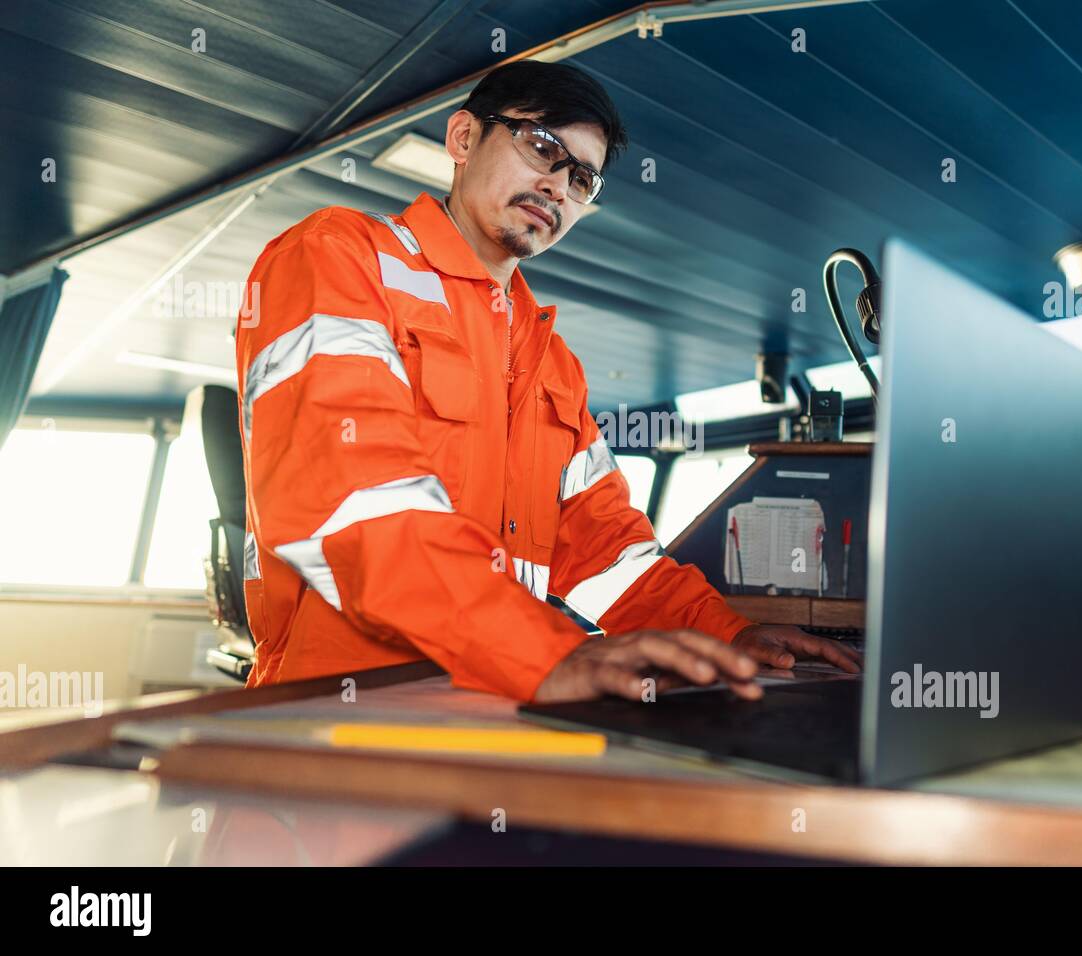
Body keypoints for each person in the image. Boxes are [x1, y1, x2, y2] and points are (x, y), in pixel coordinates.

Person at [235, 60, 861, 702]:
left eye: (581, 177)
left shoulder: (550, 359)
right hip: (341, 714)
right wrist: (537, 655)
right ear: (462, 138)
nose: (558, 186)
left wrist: (729, 635)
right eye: (543, 147)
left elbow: (606, 555)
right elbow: (350, 499)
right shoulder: (337, 257)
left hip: (499, 702)